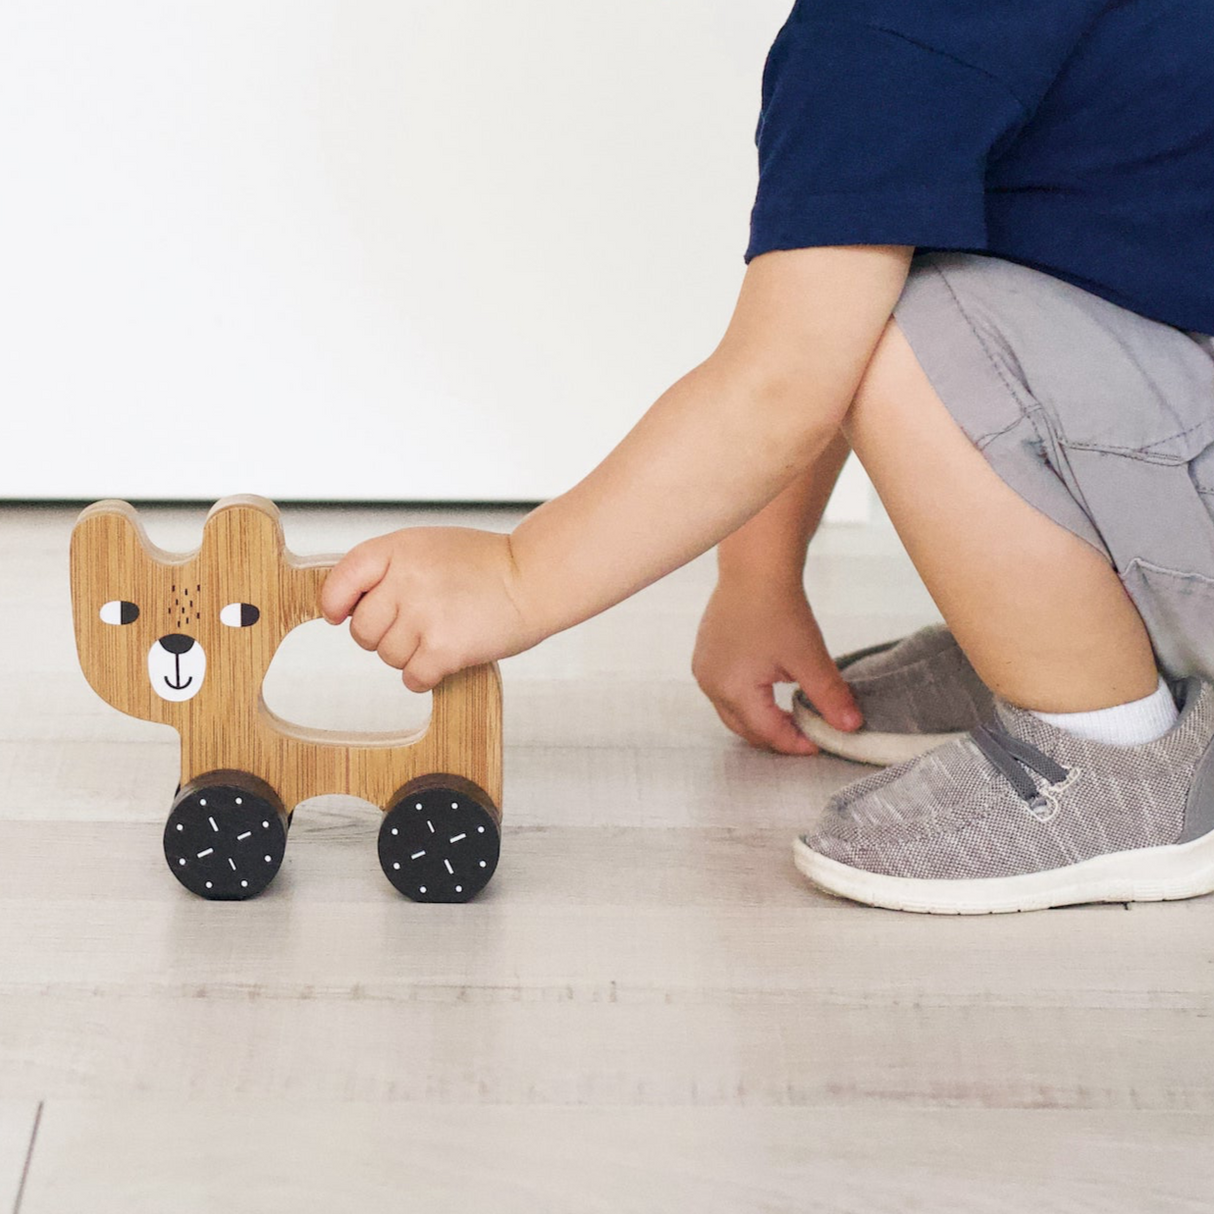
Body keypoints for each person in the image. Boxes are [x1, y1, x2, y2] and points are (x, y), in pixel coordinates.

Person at [320, 0, 1214, 914]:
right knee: (892, 287)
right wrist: (759, 576)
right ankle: (1095, 642)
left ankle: (1113, 752)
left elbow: (789, 378)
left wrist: (517, 577)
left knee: (914, 334)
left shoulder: (891, 30)